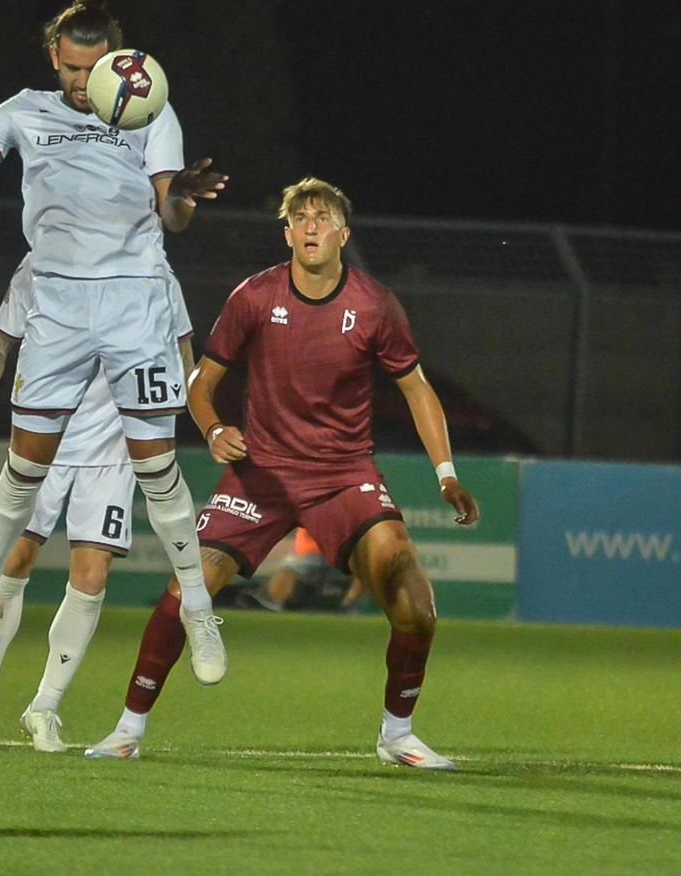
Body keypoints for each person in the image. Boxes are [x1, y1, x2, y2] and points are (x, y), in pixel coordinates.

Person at [85, 177, 480, 769]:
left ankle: (397, 736)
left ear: (343, 234)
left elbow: (417, 391)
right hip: (259, 476)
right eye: (300, 216)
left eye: (323, 217)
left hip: (344, 476)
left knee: (416, 609)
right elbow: (201, 384)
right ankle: (126, 729)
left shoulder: (375, 306)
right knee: (184, 592)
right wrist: (215, 429)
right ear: (288, 232)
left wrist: (446, 473)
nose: (312, 224)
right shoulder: (254, 296)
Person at [0, 0, 231, 686]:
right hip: (57, 308)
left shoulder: (149, 102)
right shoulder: (28, 109)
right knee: (23, 470)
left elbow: (172, 216)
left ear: (117, 61)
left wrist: (179, 192)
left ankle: (201, 614)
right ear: (53, 58)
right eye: (70, 68)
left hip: (133, 304)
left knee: (158, 469)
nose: (81, 82)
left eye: (93, 69)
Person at [0, 256, 194, 753]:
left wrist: (196, 419)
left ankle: (44, 707)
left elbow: (185, 356)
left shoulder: (156, 270)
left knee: (91, 575)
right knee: (14, 560)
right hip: (45, 440)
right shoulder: (43, 259)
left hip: (110, 451)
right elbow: (1, 338)